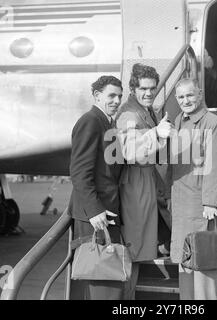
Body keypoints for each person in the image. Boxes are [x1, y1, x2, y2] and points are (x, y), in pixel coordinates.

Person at [169, 78, 217, 299]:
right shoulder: (178, 121)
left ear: (200, 94)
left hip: (201, 205)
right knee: (185, 261)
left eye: (190, 95)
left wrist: (211, 201)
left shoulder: (213, 123)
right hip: (182, 202)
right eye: (181, 97)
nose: (186, 100)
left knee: (204, 260)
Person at [115, 63, 172, 299]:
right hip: (136, 184)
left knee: (151, 244)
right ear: (132, 88)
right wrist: (156, 133)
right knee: (134, 250)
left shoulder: (146, 109)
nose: (149, 93)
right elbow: (129, 151)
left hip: (149, 181)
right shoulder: (129, 113)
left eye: (152, 88)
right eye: (143, 89)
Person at [67, 76, 124, 299]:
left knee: (107, 281)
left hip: (107, 211)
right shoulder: (90, 121)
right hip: (96, 216)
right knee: (97, 281)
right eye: (111, 95)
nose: (117, 100)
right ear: (97, 96)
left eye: (119, 96)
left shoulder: (107, 122)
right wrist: (94, 209)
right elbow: (80, 171)